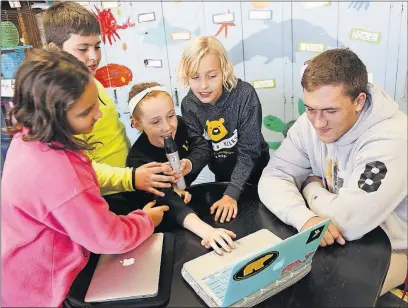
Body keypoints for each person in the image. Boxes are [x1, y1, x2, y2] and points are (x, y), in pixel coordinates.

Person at [1, 49, 169, 307]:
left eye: (96, 103)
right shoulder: (57, 175)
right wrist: (145, 220)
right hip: (43, 291)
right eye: (86, 111)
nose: (98, 115)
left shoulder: (29, 136)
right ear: (53, 115)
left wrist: (131, 180)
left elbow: (84, 181)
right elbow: (108, 237)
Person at [258, 48, 407, 296]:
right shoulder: (310, 123)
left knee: (324, 296)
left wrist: (309, 187)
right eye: (310, 109)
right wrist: (304, 218)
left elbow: (349, 221)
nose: (318, 123)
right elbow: (273, 176)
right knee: (277, 286)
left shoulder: (392, 139)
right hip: (335, 240)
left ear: (359, 101)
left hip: (393, 250)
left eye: (330, 111)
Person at [43, 1, 175, 214]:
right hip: (105, 196)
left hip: (128, 183)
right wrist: (131, 178)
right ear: (54, 50)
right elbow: (75, 167)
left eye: (97, 46)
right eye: (82, 48)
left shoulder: (90, 80)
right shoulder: (58, 103)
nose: (94, 56)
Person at [125, 82, 236, 254]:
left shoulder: (182, 124)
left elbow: (203, 148)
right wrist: (207, 232)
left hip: (188, 200)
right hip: (163, 222)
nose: (167, 127)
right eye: (155, 122)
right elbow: (169, 201)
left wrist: (189, 164)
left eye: (170, 116)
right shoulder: (138, 160)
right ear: (137, 124)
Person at [178, 36, 270, 224]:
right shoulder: (189, 105)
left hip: (258, 173)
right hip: (223, 174)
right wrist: (187, 169)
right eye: (195, 77)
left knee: (261, 221)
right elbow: (202, 149)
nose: (203, 85)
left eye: (212, 76)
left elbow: (249, 151)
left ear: (224, 70)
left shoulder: (245, 95)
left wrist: (233, 192)